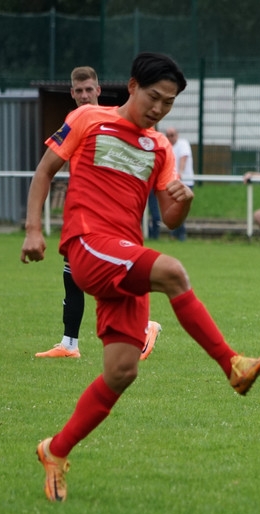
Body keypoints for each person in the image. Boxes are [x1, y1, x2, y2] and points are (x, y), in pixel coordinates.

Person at [20, 52, 260, 503]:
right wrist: (34, 229)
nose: (159, 109)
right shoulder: (88, 118)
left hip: (126, 256)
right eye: (154, 97)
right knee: (173, 271)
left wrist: (184, 201)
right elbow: (44, 172)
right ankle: (232, 364)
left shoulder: (159, 148)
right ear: (132, 86)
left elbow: (170, 219)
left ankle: (55, 451)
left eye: (168, 103)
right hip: (88, 244)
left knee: (121, 372)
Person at [36, 67, 162, 361]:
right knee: (73, 276)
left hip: (109, 215)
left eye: (88, 90)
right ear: (72, 93)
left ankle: (144, 326)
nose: (84, 95)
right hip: (83, 213)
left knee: (104, 274)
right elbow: (53, 163)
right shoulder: (76, 120)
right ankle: (69, 344)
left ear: (98, 90)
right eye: (79, 91)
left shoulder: (113, 119)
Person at [165, 127, 193, 241]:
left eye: (172, 135)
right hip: (173, 183)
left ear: (177, 135)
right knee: (174, 209)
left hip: (185, 183)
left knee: (181, 209)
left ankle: (180, 235)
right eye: (168, 135)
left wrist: (179, 174)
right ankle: (175, 235)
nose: (170, 138)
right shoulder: (167, 146)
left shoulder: (183, 144)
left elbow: (183, 158)